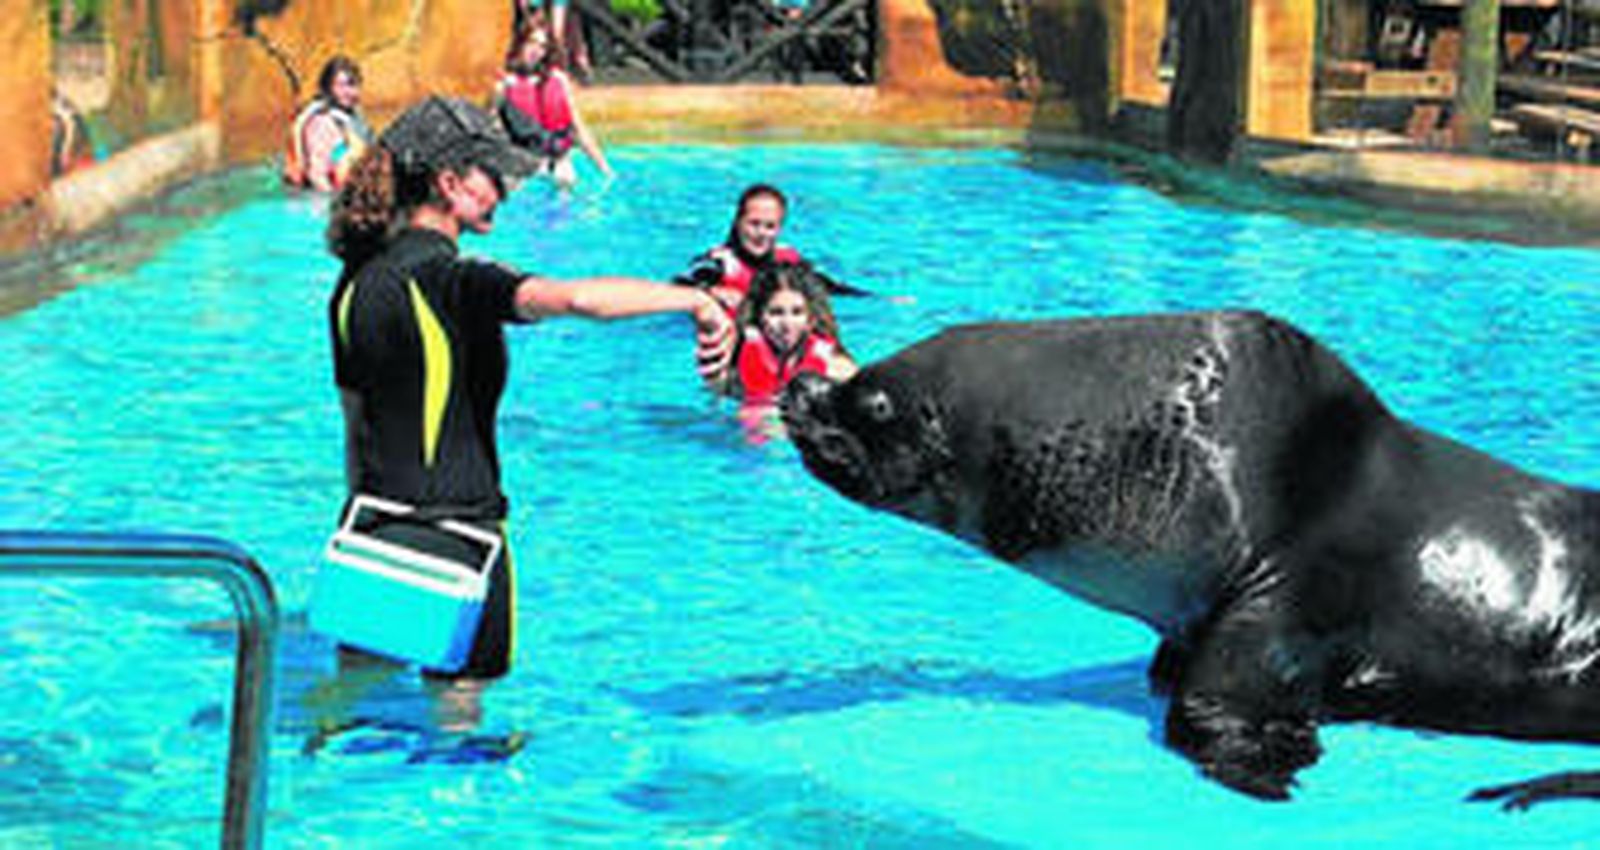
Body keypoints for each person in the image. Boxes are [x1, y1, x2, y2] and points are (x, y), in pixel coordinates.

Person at [324, 95, 733, 684]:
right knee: (458, 738)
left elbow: (354, 429)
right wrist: (695, 300)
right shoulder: (455, 278)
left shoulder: (352, 286)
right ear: (448, 183)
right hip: (461, 539)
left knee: (353, 714)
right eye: (491, 175)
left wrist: (366, 534)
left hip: (370, 530)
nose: (505, 190)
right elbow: (580, 299)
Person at [674, 183, 867, 318]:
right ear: (738, 223)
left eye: (770, 226)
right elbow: (680, 285)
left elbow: (827, 286)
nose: (761, 233)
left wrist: (879, 300)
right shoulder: (719, 263)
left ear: (780, 229)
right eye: (754, 224)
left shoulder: (786, 260)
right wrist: (713, 291)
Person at [494, 18, 611, 189]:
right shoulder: (504, 86)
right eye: (531, 43)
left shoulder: (559, 80)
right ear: (520, 44)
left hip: (559, 164)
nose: (535, 51)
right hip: (523, 166)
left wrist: (604, 169)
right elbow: (494, 136)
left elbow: (578, 129)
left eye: (542, 47)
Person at [721, 262, 856, 405]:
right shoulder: (732, 366)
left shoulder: (837, 368)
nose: (787, 325)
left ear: (811, 320)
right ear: (759, 317)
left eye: (797, 312)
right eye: (776, 313)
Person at [284, 55, 374, 192]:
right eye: (341, 86)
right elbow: (316, 176)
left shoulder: (354, 117)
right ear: (328, 88)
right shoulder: (322, 123)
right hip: (318, 199)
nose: (348, 92)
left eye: (353, 84)